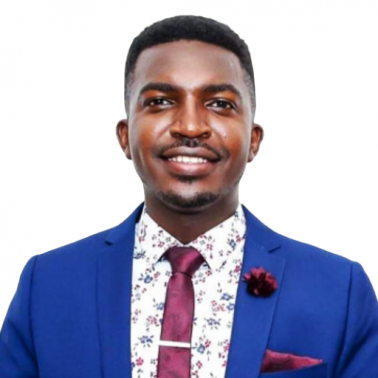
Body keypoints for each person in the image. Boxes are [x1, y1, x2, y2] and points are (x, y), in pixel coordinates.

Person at [0, 15, 377, 378]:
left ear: (254, 140)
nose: (191, 126)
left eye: (220, 104)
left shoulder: (339, 289)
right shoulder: (47, 285)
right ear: (125, 136)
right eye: (161, 101)